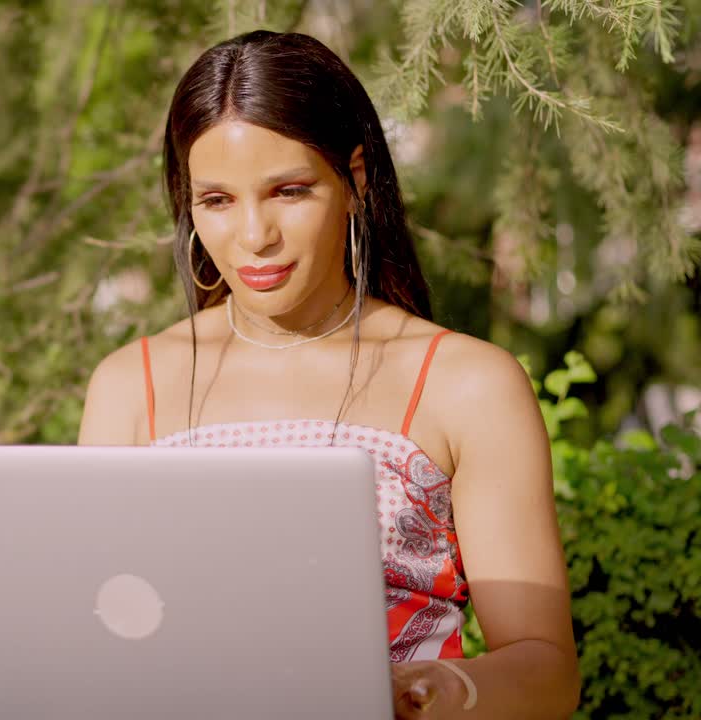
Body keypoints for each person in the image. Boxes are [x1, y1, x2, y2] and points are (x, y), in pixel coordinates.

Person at [78, 31, 580, 719]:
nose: (254, 235)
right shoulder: (129, 385)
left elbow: (546, 670)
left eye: (288, 190)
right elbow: (102, 638)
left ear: (356, 179)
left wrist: (429, 692)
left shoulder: (465, 383)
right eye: (217, 200)